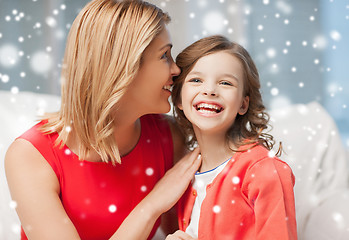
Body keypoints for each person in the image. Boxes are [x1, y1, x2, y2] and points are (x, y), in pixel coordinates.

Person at [4, 0, 202, 239]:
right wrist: (152, 205)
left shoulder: (169, 137)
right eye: (164, 56)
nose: (176, 70)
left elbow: (185, 232)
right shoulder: (30, 155)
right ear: (123, 67)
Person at [169, 35, 297, 239]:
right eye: (196, 80)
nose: (210, 90)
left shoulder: (265, 171)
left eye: (226, 83)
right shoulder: (182, 174)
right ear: (178, 99)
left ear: (243, 104)